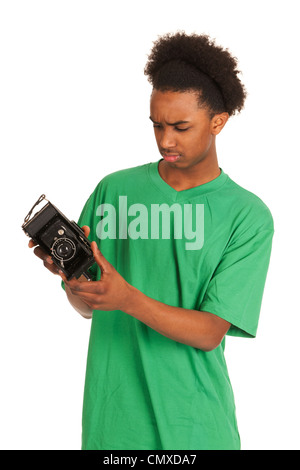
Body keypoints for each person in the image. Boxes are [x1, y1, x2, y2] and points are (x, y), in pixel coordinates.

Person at [29, 32, 274, 450]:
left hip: (197, 430)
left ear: (219, 121)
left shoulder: (247, 215)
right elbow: (87, 307)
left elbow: (210, 331)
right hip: (112, 426)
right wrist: (75, 284)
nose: (166, 141)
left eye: (181, 127)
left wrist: (126, 298)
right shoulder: (113, 190)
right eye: (157, 125)